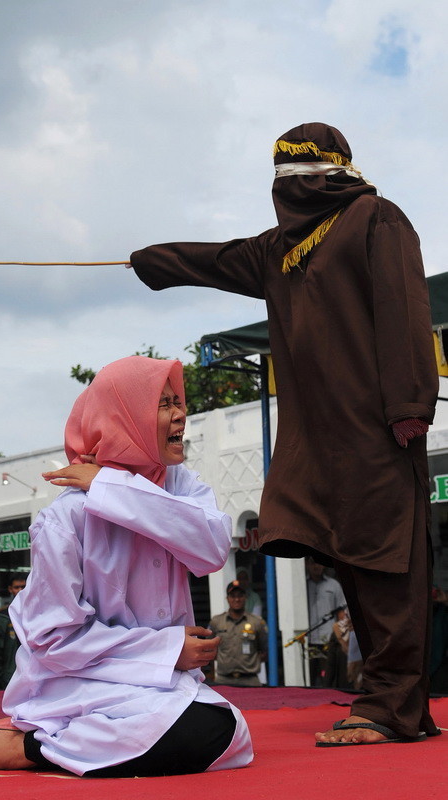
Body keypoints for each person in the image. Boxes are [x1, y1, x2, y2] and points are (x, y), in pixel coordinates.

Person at [129, 122, 439, 746]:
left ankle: (395, 708)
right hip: (316, 441)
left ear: (338, 173)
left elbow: (406, 308)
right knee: (352, 561)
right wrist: (149, 260)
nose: (296, 187)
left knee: (387, 565)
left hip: (379, 431)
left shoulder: (375, 218)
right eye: (285, 178)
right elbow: (213, 259)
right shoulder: (276, 251)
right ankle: (384, 700)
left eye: (307, 176)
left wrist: (410, 404)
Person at [0, 356, 253, 776]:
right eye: (164, 403)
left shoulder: (180, 485)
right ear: (126, 418)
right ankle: (26, 747)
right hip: (81, 682)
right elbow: (53, 640)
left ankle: (38, 740)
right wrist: (166, 650)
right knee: (210, 730)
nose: (181, 414)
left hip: (153, 684)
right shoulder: (68, 516)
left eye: (178, 401)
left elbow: (210, 549)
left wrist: (111, 486)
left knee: (230, 735)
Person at [209, 580, 267, 687]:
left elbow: (264, 652)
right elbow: (209, 649)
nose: (237, 599)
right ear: (227, 598)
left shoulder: (256, 622)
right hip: (223, 680)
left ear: (246, 598)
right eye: (233, 596)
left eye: (240, 595)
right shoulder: (217, 622)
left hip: (250, 680)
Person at [305, 557, 346, 686]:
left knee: (327, 678)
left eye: (319, 562)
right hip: (308, 640)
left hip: (328, 640)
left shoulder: (334, 585)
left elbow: (341, 613)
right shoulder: (301, 584)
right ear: (307, 564)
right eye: (312, 563)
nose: (316, 566)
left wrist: (341, 637)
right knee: (309, 679)